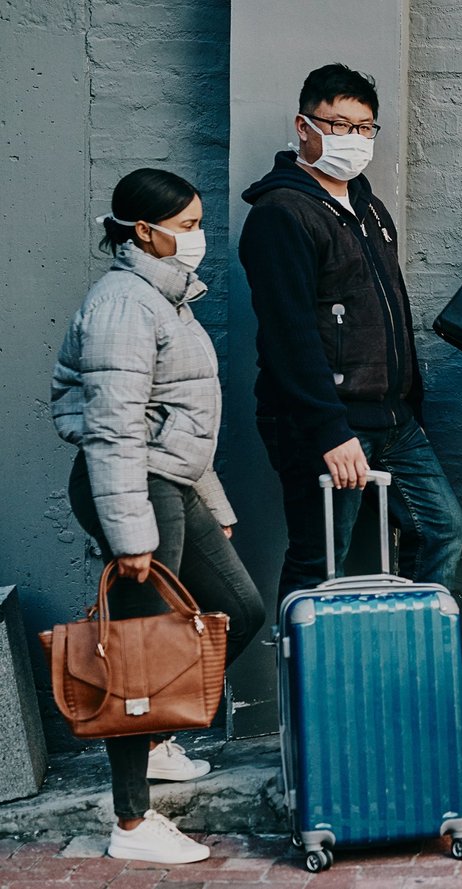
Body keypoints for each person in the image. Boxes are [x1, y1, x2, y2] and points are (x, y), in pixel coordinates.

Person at [239, 63, 462, 717]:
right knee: (317, 566)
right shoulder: (281, 214)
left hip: (392, 417)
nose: (353, 138)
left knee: (443, 528)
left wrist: (408, 398)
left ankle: (416, 684)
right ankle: (307, 710)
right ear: (304, 128)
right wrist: (329, 432)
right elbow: (289, 334)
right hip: (325, 424)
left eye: (363, 127)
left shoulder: (365, 205)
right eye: (338, 125)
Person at [52, 168, 267, 864]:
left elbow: (176, 418)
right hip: (132, 487)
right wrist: (132, 532)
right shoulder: (125, 304)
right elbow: (114, 429)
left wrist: (214, 503)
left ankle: (156, 734)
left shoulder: (167, 298)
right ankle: (133, 823)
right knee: (139, 650)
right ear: (144, 230)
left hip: (167, 482)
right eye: (187, 224)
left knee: (238, 606)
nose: (198, 237)